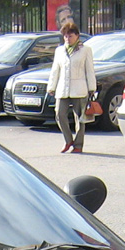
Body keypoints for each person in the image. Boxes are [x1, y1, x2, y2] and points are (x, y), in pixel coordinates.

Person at [46, 22, 95, 155]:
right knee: (59, 114)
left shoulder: (85, 50)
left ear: (77, 36)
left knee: (80, 118)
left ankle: (78, 145)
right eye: (66, 36)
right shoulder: (59, 50)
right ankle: (68, 140)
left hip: (79, 88)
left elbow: (90, 70)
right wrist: (51, 87)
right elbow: (55, 70)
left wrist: (92, 88)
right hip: (63, 88)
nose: (68, 38)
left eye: (70, 36)